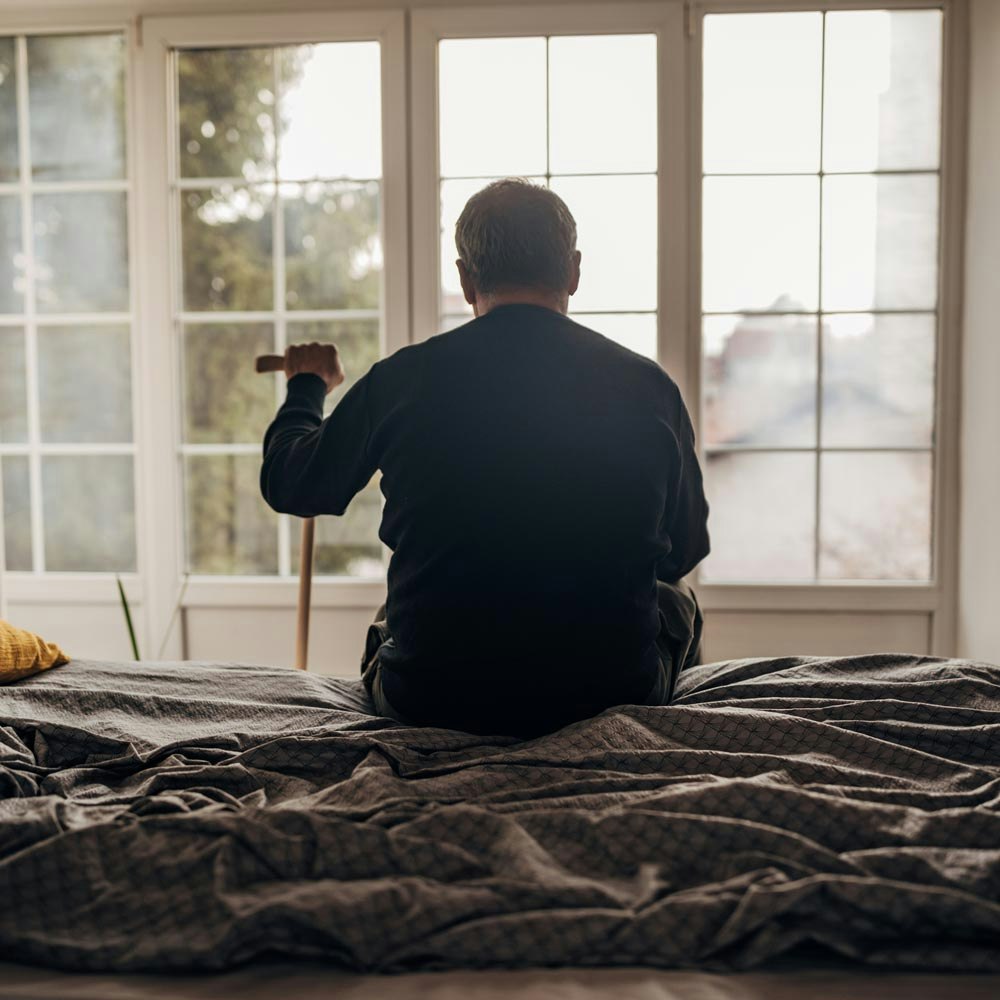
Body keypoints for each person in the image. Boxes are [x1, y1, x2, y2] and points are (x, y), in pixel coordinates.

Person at [261, 178, 709, 738]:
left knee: (392, 619)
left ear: (465, 277)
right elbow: (684, 549)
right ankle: (656, 745)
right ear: (572, 270)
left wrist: (306, 386)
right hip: (606, 695)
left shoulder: (402, 380)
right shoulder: (649, 388)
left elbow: (292, 484)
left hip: (430, 698)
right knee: (677, 600)